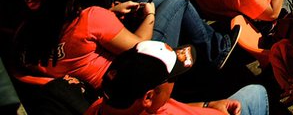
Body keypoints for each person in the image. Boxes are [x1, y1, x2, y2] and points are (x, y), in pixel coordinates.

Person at [16, 0, 235, 90]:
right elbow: (141, 46)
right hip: (131, 77)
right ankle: (217, 52)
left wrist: (111, 14)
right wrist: (149, 16)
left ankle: (196, 38)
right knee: (177, 1)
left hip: (110, 75)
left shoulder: (35, 24)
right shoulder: (91, 16)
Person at [87, 41, 269, 115]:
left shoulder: (108, 105)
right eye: (172, 76)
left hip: (213, 109)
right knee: (257, 92)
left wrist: (208, 105)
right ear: (149, 96)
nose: (175, 82)